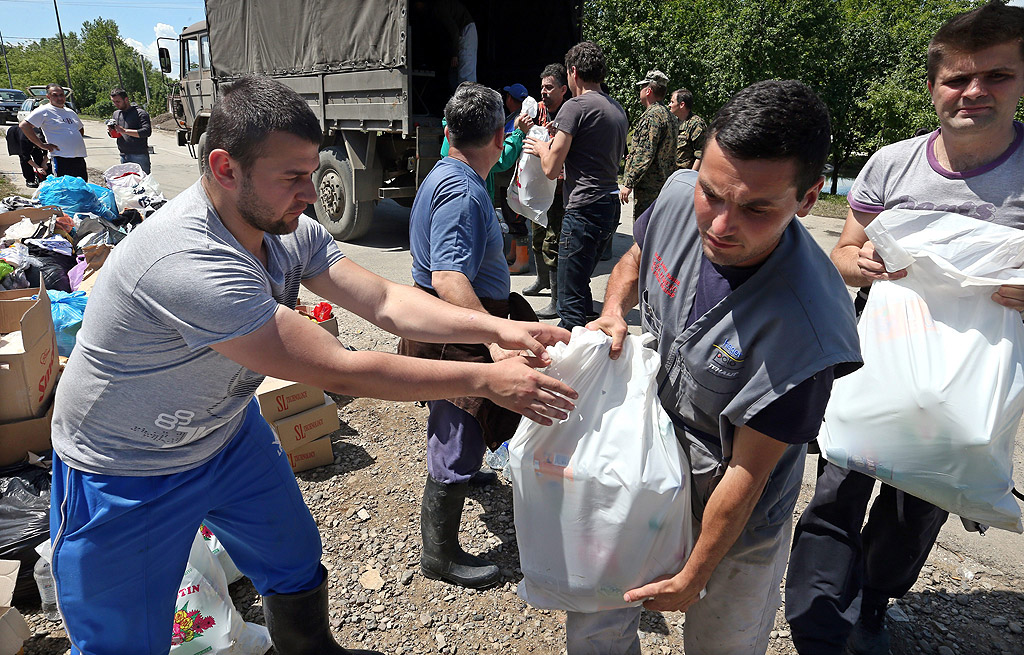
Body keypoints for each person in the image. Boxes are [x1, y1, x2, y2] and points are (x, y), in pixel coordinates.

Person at [48, 75, 576, 655]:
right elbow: (339, 369)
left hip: (222, 433)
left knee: (293, 556)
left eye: (311, 171)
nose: (310, 192)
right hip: (126, 464)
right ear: (225, 168)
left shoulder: (283, 228)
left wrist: (499, 329)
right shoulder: (188, 259)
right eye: (292, 177)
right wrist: (485, 378)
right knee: (121, 642)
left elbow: (384, 302)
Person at [582, 79, 862, 655]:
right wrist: (613, 311)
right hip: (638, 472)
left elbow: (746, 475)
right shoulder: (681, 191)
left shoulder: (809, 329)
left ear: (807, 199)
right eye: (713, 194)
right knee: (597, 618)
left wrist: (693, 576)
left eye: (757, 208)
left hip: (736, 517)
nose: (719, 225)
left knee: (722, 642)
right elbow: (637, 258)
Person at [785, 4, 1024, 654]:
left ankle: (875, 598)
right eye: (956, 78)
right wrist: (856, 263)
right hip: (878, 358)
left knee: (920, 501)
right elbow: (842, 254)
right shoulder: (892, 165)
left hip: (971, 380)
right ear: (933, 85)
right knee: (841, 478)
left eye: (996, 75)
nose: (973, 91)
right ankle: (816, 618)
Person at [401, 82, 554, 590]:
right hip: (458, 327)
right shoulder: (463, 191)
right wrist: (493, 340)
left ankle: (464, 476)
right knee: (459, 430)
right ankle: (438, 553)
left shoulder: (447, 174)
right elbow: (448, 277)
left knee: (459, 421)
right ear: (500, 135)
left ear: (447, 133)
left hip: (453, 322)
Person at [524, 41, 628, 329]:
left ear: (572, 72)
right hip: (609, 205)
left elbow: (550, 169)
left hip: (583, 209)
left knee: (569, 300)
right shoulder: (616, 108)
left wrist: (541, 148)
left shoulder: (575, 106)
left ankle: (571, 363)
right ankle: (591, 342)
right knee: (580, 285)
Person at [524, 63, 570, 319]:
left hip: (560, 186)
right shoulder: (539, 110)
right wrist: (524, 129)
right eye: (542, 87)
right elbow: (531, 143)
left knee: (553, 241)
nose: (544, 92)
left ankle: (555, 300)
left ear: (563, 89)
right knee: (537, 235)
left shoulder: (569, 113)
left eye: (549, 87)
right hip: (540, 184)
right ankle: (542, 280)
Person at [620, 69, 677, 218]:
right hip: (664, 186)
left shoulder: (652, 116)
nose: (640, 90)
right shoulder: (669, 116)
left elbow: (645, 153)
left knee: (642, 235)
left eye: (642, 87)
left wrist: (628, 182)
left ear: (648, 91)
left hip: (648, 189)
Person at [19, 83, 87, 181]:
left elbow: (80, 129)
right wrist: (42, 145)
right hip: (61, 157)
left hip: (78, 157)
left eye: (61, 95)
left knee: (81, 188)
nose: (59, 98)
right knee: (63, 189)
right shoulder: (44, 110)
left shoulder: (70, 112)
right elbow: (24, 126)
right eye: (55, 95)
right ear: (48, 96)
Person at [109, 88, 153, 174]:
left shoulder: (140, 113)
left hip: (139, 155)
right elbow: (116, 133)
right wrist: (112, 132)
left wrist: (124, 131)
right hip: (123, 155)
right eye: (113, 102)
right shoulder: (116, 114)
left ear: (126, 99)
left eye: (118, 101)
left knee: (142, 183)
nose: (115, 104)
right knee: (127, 184)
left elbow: (146, 132)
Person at [669, 87, 707, 171]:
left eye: (672, 102)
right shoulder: (673, 122)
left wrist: (690, 178)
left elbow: (701, 154)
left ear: (682, 105)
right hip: (672, 176)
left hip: (686, 176)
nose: (669, 105)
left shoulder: (696, 124)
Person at [4, 123, 50, 188]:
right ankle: (30, 179)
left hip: (33, 140)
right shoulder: (24, 140)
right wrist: (38, 168)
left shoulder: (44, 137)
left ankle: (41, 176)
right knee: (24, 160)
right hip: (15, 135)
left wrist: (44, 163)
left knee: (38, 155)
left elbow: (47, 152)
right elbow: (26, 157)